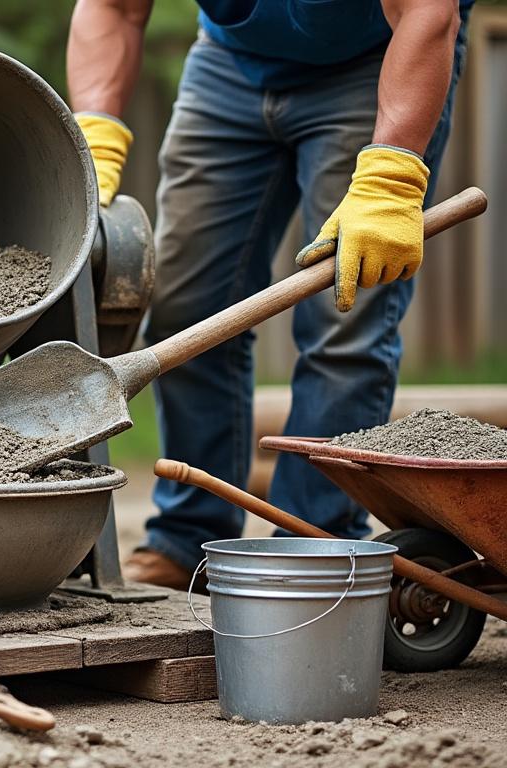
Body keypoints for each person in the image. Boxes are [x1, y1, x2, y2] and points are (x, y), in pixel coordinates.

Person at [66, 0, 472, 588]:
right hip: (231, 66)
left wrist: (391, 174)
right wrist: (95, 130)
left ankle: (310, 549)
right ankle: (189, 543)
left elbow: (428, 12)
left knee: (345, 316)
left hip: (375, 61)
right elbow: (114, 8)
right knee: (186, 312)